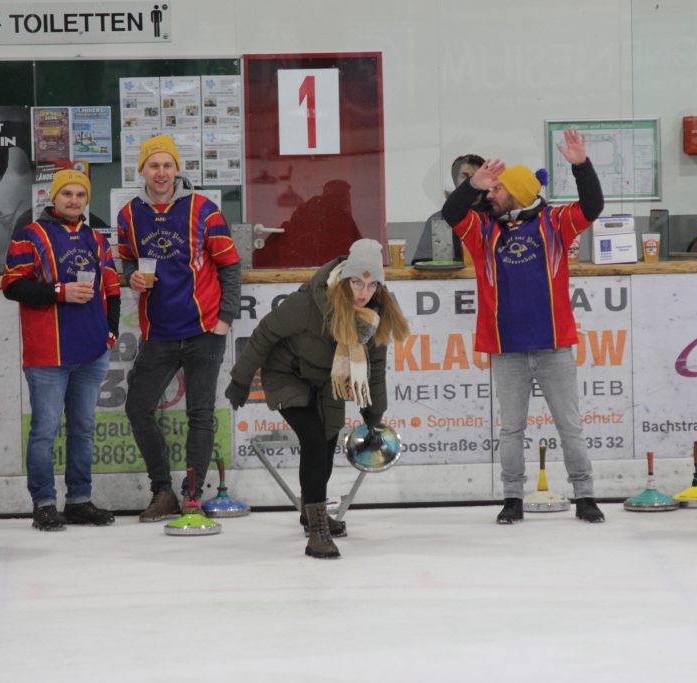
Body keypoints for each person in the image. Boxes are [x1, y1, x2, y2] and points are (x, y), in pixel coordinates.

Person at [441, 128, 605, 525]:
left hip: (553, 346)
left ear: (515, 192)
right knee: (511, 430)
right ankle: (512, 497)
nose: (490, 196)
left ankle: (585, 496)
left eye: (497, 190)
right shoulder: (484, 231)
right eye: (488, 190)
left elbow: (593, 205)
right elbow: (452, 214)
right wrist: (473, 185)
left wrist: (582, 166)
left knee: (570, 428)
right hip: (506, 348)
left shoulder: (555, 222)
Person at [225, 239, 410, 558]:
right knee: (312, 439)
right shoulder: (312, 303)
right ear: (344, 279)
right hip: (288, 374)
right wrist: (241, 380)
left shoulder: (374, 316)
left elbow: (374, 369)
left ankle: (311, 512)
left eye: (371, 284)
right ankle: (317, 533)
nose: (363, 292)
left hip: (326, 381)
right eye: (356, 282)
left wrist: (372, 417)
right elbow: (265, 333)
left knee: (326, 441)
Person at [117, 134, 241, 522]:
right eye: (153, 165)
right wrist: (131, 278)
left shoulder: (203, 209)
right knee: (138, 408)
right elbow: (124, 263)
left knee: (200, 414)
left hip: (204, 329)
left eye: (167, 165)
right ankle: (162, 490)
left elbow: (230, 264)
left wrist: (225, 319)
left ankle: (192, 494)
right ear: (142, 170)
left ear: (177, 170)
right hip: (160, 332)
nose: (161, 172)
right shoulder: (128, 215)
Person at [2, 170, 120, 531]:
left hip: (91, 353)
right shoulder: (29, 236)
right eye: (66, 193)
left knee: (83, 429)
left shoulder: (97, 240)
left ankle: (80, 501)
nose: (73, 200)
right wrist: (58, 292)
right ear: (53, 198)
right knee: (44, 431)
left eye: (80, 194)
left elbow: (112, 289)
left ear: (87, 200)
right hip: (47, 354)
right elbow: (12, 286)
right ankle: (44, 503)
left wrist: (109, 333)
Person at [412, 154, 485, 264]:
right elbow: (423, 262)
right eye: (465, 176)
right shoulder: (439, 220)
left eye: (476, 177)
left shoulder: (495, 217)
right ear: (455, 181)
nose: (471, 182)